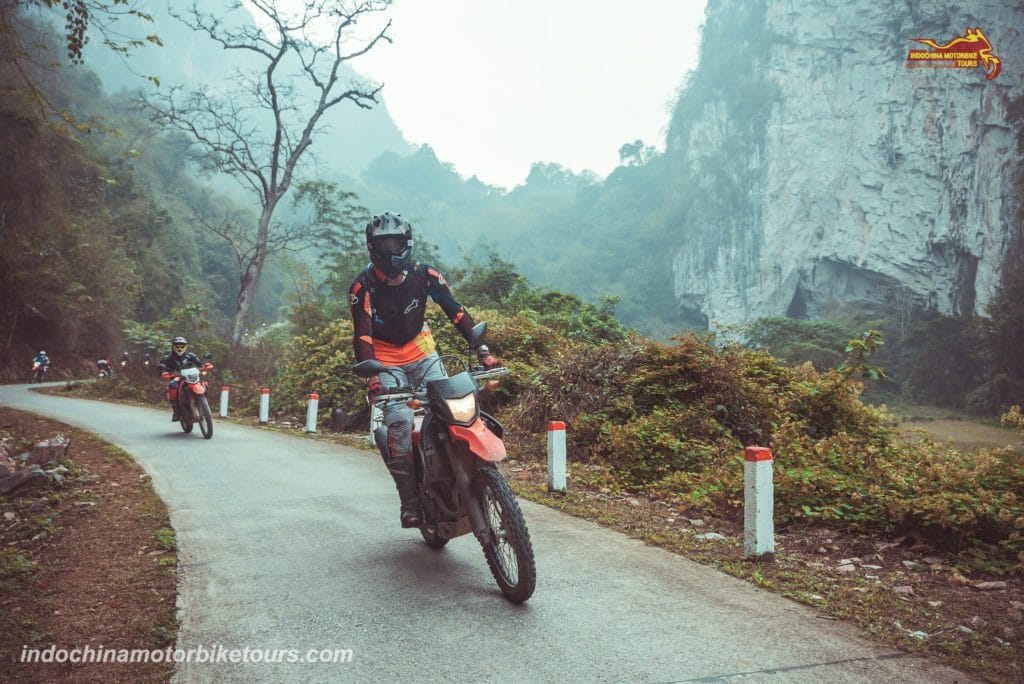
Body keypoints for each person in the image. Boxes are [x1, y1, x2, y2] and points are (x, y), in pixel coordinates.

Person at [348, 211, 500, 528]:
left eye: (397, 243)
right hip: (385, 359)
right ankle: (410, 501)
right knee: (401, 422)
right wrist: (373, 377)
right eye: (384, 245)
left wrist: (483, 350)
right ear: (372, 248)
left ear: (408, 244)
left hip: (423, 350)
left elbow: (455, 312)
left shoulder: (425, 274)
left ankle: (469, 472)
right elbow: (362, 335)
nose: (391, 251)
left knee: (456, 406)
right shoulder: (363, 287)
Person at [158, 336, 205, 421]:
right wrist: (163, 370)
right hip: (177, 378)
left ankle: (203, 401)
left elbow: (199, 363)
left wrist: (204, 366)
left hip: (191, 377)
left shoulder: (190, 356)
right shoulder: (168, 357)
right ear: (173, 347)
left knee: (203, 382)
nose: (180, 349)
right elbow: (162, 365)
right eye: (177, 346)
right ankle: (176, 411)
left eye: (182, 346)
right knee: (172, 386)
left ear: (185, 347)